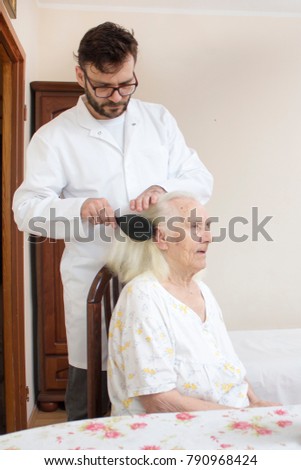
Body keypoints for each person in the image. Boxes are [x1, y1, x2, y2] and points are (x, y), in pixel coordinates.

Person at [12, 22, 213, 421]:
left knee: (166, 382)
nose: (116, 97)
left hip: (163, 277)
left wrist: (163, 189)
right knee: (93, 388)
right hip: (94, 279)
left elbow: (200, 179)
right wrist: (79, 209)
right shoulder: (54, 138)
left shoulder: (158, 120)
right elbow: (26, 210)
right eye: (104, 87)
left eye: (126, 84)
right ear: (81, 75)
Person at [107, 191, 279, 415]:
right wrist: (241, 417)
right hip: (173, 433)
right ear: (161, 238)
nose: (208, 237)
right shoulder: (143, 296)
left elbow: (229, 366)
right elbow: (158, 401)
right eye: (195, 227)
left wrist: (255, 404)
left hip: (226, 419)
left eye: (207, 227)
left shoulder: (201, 290)